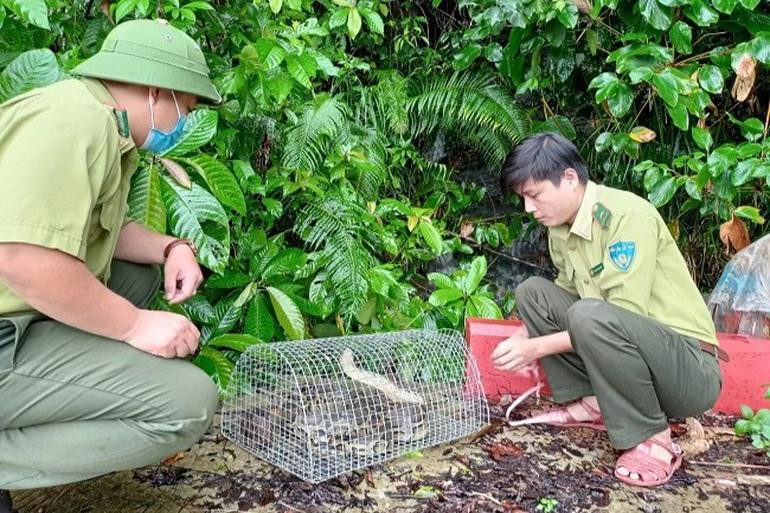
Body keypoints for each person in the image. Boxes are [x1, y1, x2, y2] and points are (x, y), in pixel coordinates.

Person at [0, 19, 222, 511]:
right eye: (184, 108)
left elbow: (102, 230)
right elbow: (22, 258)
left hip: (15, 317)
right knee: (186, 406)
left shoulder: (98, 123)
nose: (182, 123)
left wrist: (171, 248)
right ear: (155, 91)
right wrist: (134, 325)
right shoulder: (73, 122)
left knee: (136, 277)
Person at [492, 132, 727, 487]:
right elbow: (566, 294)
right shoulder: (561, 228)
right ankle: (593, 402)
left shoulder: (626, 216)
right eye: (523, 198)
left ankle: (655, 439)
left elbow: (616, 315)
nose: (528, 208)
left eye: (534, 195)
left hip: (688, 371)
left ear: (569, 178)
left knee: (591, 315)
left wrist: (536, 348)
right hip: (632, 355)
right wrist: (525, 333)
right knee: (533, 294)